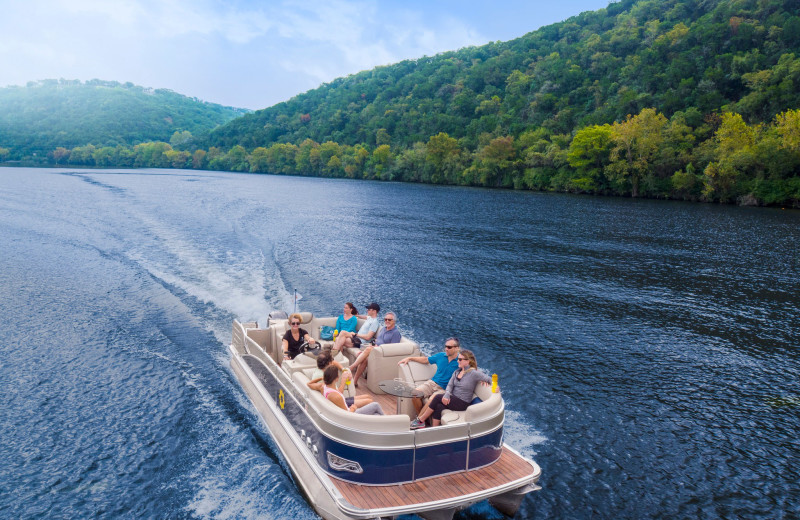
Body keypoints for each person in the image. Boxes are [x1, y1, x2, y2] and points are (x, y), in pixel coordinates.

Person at [410, 349, 489, 429]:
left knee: (437, 397)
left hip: (463, 403)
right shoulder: (457, 372)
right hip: (454, 398)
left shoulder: (473, 373)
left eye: (460, 359)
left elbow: (489, 379)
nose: (458, 361)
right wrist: (447, 394)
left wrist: (493, 385)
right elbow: (450, 386)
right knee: (438, 406)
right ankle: (434, 430)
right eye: (458, 359)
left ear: (468, 361)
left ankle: (420, 420)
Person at [398, 337, 461, 415]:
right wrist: (410, 358)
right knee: (414, 394)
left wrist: (480, 377)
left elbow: (471, 369)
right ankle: (421, 420)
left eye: (449, 347)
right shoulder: (441, 356)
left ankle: (419, 421)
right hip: (432, 383)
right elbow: (426, 360)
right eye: (445, 346)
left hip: (445, 389)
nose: (446, 349)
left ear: (457, 348)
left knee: (432, 399)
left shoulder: (461, 361)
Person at [350, 311, 401, 387]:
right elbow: (379, 340)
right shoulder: (383, 329)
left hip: (384, 354)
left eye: (389, 320)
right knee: (364, 360)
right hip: (376, 351)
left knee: (368, 349)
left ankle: (352, 367)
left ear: (394, 321)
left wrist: (378, 348)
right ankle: (355, 382)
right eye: (385, 319)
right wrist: (375, 345)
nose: (387, 321)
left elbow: (393, 348)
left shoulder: (396, 333)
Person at [307, 351, 373, 409]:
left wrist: (343, 370)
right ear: (329, 363)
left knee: (368, 396)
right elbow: (336, 395)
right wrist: (343, 380)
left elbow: (335, 363)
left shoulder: (322, 368)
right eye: (331, 360)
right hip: (337, 403)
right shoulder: (322, 375)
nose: (333, 362)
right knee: (369, 401)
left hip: (340, 398)